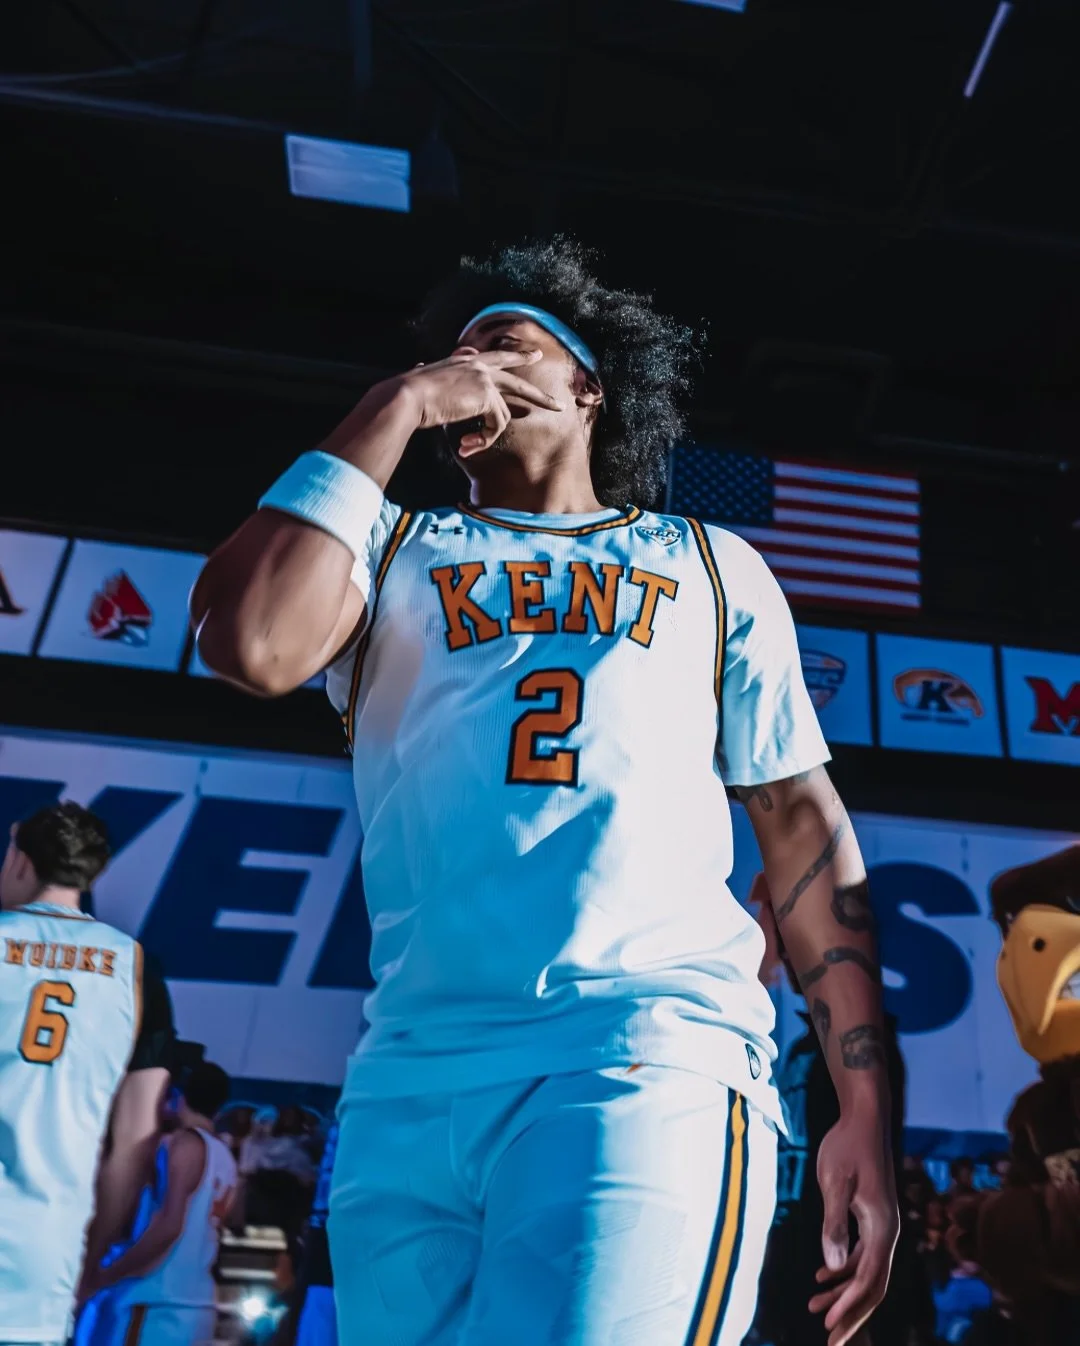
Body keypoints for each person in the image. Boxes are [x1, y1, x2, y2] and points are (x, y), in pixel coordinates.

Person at [192, 237, 899, 1346]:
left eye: (509, 345)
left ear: (588, 385)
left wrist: (865, 1099)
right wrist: (396, 401)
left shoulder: (709, 563)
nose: (480, 366)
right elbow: (248, 643)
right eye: (463, 352)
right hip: (410, 1081)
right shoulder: (388, 548)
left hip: (641, 1054)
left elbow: (803, 824)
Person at [0, 802, 175, 1346]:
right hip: (47, 1249)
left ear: (21, 862)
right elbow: (136, 1141)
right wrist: (89, 1256)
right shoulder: (135, 967)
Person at [749, 877, 925, 1346]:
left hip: (831, 1276)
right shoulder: (807, 1050)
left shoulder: (862, 1053)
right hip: (798, 1271)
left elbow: (864, 1182)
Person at [82, 1062, 237, 1346]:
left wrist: (104, 1276)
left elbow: (169, 1226)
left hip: (156, 1300)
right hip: (196, 1302)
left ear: (178, 1095)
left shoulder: (184, 1145)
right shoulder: (226, 1156)